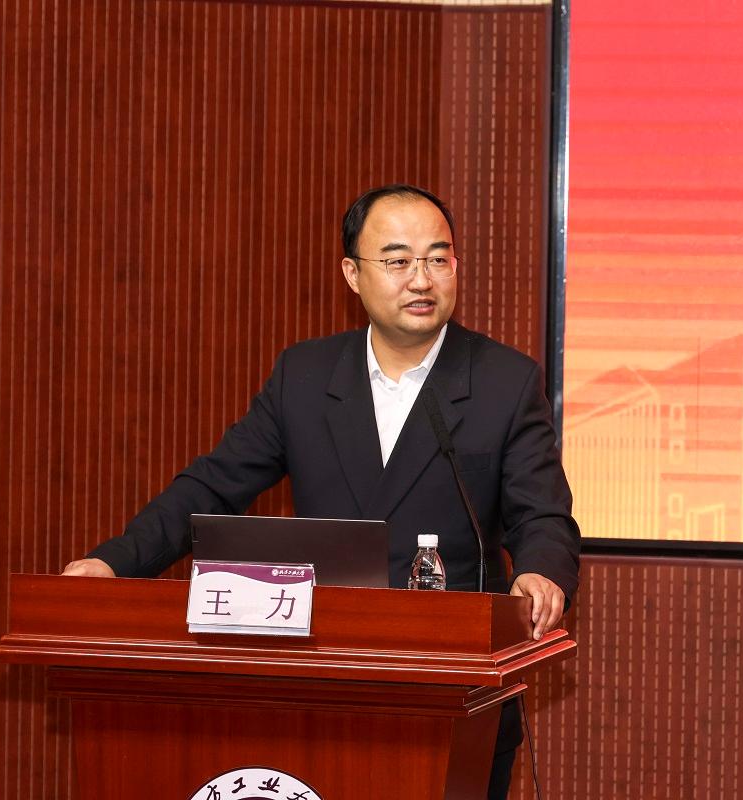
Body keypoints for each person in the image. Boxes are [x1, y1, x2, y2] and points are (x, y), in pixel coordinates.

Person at [62, 184, 580, 799]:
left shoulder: (503, 381)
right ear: (352, 274)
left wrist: (542, 572)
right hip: (321, 682)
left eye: (438, 259)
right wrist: (114, 562)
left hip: (452, 689)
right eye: (398, 261)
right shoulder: (305, 376)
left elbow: (542, 515)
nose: (421, 279)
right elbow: (213, 486)